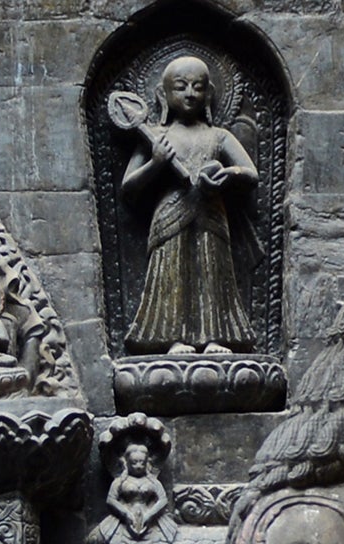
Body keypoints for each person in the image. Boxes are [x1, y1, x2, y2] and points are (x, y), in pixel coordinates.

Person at [120, 56, 257, 355]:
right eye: (181, 87)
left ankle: (214, 337)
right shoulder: (158, 136)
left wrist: (226, 175)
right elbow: (128, 187)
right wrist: (156, 163)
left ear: (209, 94)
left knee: (211, 274)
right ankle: (173, 338)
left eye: (198, 87)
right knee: (172, 274)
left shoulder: (218, 136)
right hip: (170, 214)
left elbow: (250, 174)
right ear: (163, 95)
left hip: (211, 214)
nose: (190, 94)